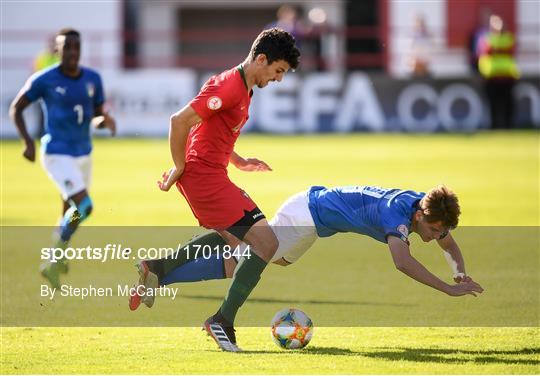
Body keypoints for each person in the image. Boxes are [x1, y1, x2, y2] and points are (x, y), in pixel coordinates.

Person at [130, 185, 484, 339]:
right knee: (252, 253)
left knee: (242, 260)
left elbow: (449, 244)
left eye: (440, 232)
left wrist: (459, 271)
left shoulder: (420, 206)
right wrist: (447, 291)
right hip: (309, 215)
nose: (438, 236)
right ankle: (220, 229)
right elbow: (402, 263)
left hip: (312, 213)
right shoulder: (398, 216)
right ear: (422, 216)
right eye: (435, 230)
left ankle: (159, 271)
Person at [149, 28, 300, 352]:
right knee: (265, 243)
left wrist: (239, 160)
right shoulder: (228, 86)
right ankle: (222, 320)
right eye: (278, 71)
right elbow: (180, 121)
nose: (278, 79)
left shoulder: (245, 90)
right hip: (203, 177)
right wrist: (178, 167)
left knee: (235, 240)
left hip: (213, 173)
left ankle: (159, 268)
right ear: (261, 59)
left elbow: (213, 128)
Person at [9, 28, 116, 288]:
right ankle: (54, 257)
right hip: (57, 153)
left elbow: (96, 115)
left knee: (71, 212)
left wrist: (105, 120)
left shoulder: (93, 79)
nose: (72, 52)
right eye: (66, 47)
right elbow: (17, 108)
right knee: (84, 206)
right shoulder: (44, 79)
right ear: (57, 50)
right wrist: (27, 141)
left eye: (75, 48)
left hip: (83, 155)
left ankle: (58, 257)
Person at [478, 14, 520, 129]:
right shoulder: (487, 39)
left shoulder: (508, 38)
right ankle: (494, 127)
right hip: (492, 76)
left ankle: (508, 127)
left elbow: (510, 50)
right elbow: (484, 54)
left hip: (507, 76)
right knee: (493, 105)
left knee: (508, 104)